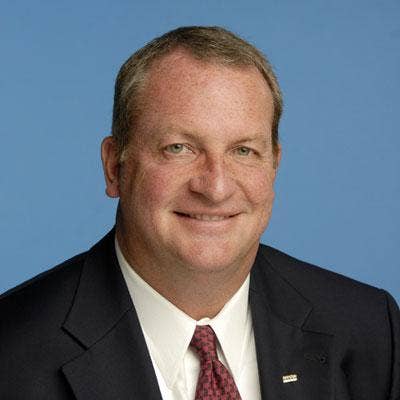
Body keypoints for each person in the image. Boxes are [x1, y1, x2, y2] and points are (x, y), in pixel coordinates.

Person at [0, 26, 399, 400]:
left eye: (243, 151)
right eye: (179, 148)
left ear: (274, 166)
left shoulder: (369, 329)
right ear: (114, 167)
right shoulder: (11, 352)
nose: (215, 187)